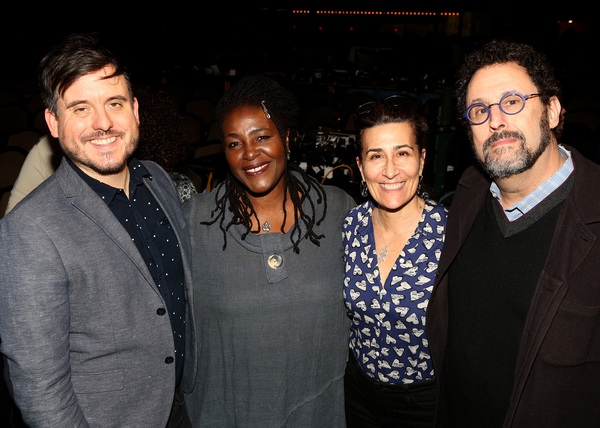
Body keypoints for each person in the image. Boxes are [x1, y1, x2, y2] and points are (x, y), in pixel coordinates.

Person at [0, 33, 196, 427]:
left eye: (114, 103)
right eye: (80, 108)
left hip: (182, 409)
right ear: (53, 123)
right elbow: (39, 386)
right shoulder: (29, 229)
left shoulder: (158, 181)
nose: (103, 122)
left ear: (135, 110)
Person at [427, 39, 600, 427]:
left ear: (552, 111)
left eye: (513, 101)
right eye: (478, 110)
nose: (495, 120)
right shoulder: (467, 197)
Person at [183, 74, 355, 427]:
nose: (249, 154)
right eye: (234, 144)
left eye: (262, 137)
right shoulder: (196, 221)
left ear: (287, 138)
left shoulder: (337, 212)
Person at [343, 95, 447, 427]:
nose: (390, 170)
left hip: (427, 402)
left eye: (403, 153)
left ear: (422, 159)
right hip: (357, 394)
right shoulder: (348, 227)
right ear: (360, 166)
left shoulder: (452, 234)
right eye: (376, 156)